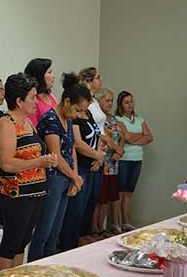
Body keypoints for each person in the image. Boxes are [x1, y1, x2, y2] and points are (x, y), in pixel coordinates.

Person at [0, 73, 56, 271]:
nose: (36, 102)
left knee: (22, 242)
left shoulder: (28, 122)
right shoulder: (6, 123)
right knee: (11, 244)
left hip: (34, 192)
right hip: (16, 193)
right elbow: (7, 163)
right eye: (32, 97)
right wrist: (41, 161)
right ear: (19, 101)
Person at [28, 74, 89, 261]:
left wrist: (75, 176)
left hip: (66, 177)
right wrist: (75, 177)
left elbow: (71, 150)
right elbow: (57, 156)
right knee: (43, 232)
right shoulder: (50, 120)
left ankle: (50, 267)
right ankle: (35, 269)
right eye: (78, 110)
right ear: (67, 101)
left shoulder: (67, 120)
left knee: (56, 232)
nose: (78, 115)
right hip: (52, 179)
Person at [60, 73, 106, 251]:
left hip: (94, 164)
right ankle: (69, 246)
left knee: (88, 207)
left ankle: (81, 243)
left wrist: (99, 156)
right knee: (74, 212)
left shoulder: (87, 112)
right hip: (82, 166)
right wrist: (97, 156)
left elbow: (98, 133)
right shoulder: (74, 115)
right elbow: (77, 143)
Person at [115, 91, 153, 232]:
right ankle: (117, 223)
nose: (130, 104)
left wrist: (134, 136)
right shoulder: (118, 120)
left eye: (131, 101)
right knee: (120, 192)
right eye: (126, 102)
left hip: (137, 160)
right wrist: (139, 136)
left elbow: (149, 137)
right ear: (121, 105)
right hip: (124, 159)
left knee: (130, 192)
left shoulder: (140, 120)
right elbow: (127, 138)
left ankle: (126, 221)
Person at [92, 88, 125, 236]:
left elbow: (121, 135)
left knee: (107, 198)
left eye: (112, 100)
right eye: (107, 100)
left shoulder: (112, 118)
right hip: (102, 161)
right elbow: (105, 138)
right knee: (99, 198)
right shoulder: (97, 118)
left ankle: (102, 228)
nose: (110, 103)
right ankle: (94, 229)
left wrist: (119, 151)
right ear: (98, 101)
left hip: (113, 164)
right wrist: (118, 149)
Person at [24, 58, 57, 126]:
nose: (53, 76)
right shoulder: (32, 100)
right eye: (49, 72)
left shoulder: (51, 97)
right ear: (40, 75)